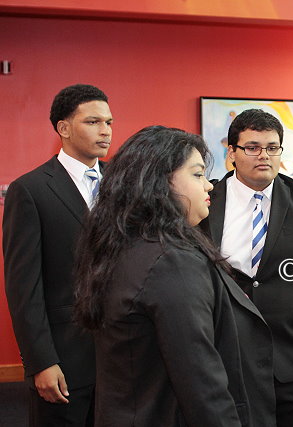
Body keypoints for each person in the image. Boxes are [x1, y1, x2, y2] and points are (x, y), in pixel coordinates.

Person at [73, 125, 275, 426]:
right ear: (159, 183)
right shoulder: (171, 262)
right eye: (197, 175)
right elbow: (201, 382)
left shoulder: (127, 245)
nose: (208, 186)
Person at [200, 109, 293, 427]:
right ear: (232, 153)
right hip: (227, 356)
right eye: (252, 147)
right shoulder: (207, 201)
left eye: (272, 147)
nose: (264, 155)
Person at [3, 84, 113, 426]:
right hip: (66, 356)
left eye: (109, 122)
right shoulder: (30, 190)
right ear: (63, 128)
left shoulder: (123, 183)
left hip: (122, 354)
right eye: (93, 122)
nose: (105, 130)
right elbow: (24, 288)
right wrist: (41, 361)